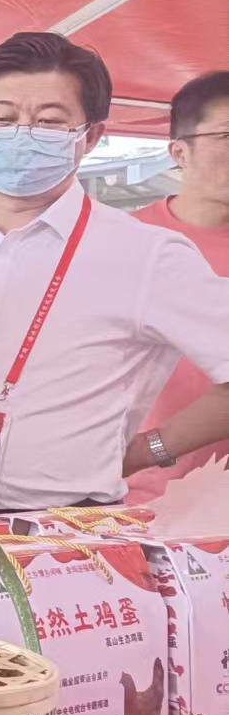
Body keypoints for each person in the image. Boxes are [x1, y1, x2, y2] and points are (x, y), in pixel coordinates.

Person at [0, 35, 229, 514]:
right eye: (4, 118)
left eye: (50, 122)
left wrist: (149, 450)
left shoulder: (145, 254)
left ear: (90, 136)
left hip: (69, 530)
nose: (23, 134)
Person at [127, 71, 229, 499]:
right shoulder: (127, 244)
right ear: (179, 152)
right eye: (226, 136)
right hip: (145, 504)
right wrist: (147, 452)